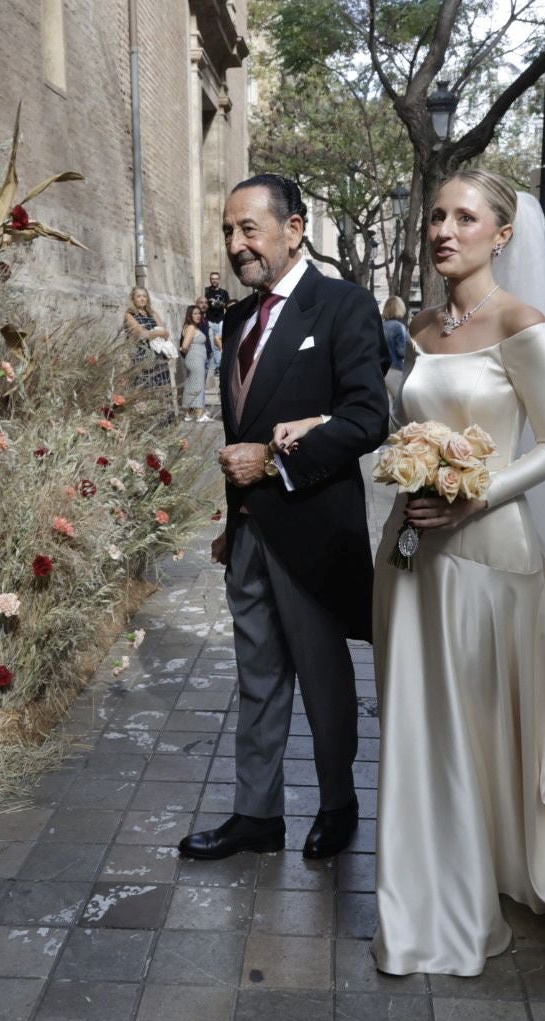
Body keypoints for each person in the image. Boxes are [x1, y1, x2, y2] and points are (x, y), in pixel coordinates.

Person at [275, 169, 545, 976]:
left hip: (491, 555)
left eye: (466, 217)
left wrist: (471, 498)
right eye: (439, 216)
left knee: (477, 729)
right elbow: (403, 418)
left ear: (502, 234)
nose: (444, 229)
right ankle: (421, 902)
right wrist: (333, 427)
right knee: (414, 726)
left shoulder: (523, 322)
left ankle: (472, 887)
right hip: (410, 554)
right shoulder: (418, 325)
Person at [176, 173, 389, 863]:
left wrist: (270, 462)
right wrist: (233, 523)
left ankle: (338, 805)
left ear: (294, 229)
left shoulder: (341, 306)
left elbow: (367, 417)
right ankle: (257, 815)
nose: (238, 245)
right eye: (230, 231)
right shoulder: (238, 318)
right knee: (257, 680)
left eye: (250, 229)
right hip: (250, 539)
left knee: (325, 684)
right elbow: (241, 423)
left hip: (314, 534)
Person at [123, 286, 172, 388]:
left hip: (159, 356)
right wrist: (158, 333)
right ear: (133, 299)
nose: (142, 299)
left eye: (144, 296)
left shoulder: (153, 313)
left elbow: (166, 334)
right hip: (142, 357)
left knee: (162, 388)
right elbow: (141, 334)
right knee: (145, 389)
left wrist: (154, 333)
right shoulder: (130, 315)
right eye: (139, 296)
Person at [179, 301, 212, 422]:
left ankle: (188, 413)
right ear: (189, 315)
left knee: (191, 386)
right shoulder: (191, 328)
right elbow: (184, 346)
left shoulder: (191, 327)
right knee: (198, 386)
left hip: (196, 359)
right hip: (195, 360)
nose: (198, 316)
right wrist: (188, 353)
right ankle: (199, 414)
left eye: (199, 314)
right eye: (195, 314)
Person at [381, 296, 410, 423]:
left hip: (381, 371)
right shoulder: (399, 327)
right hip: (395, 369)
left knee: (388, 407)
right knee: (403, 404)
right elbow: (401, 351)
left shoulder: (380, 326)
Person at [204, 270, 230, 385]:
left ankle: (219, 366)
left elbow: (228, 305)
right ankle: (217, 366)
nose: (214, 280)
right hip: (209, 321)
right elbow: (204, 304)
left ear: (219, 280)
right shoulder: (207, 291)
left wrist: (220, 304)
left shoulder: (224, 292)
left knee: (219, 344)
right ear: (210, 280)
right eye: (212, 278)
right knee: (212, 344)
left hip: (220, 321)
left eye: (216, 278)